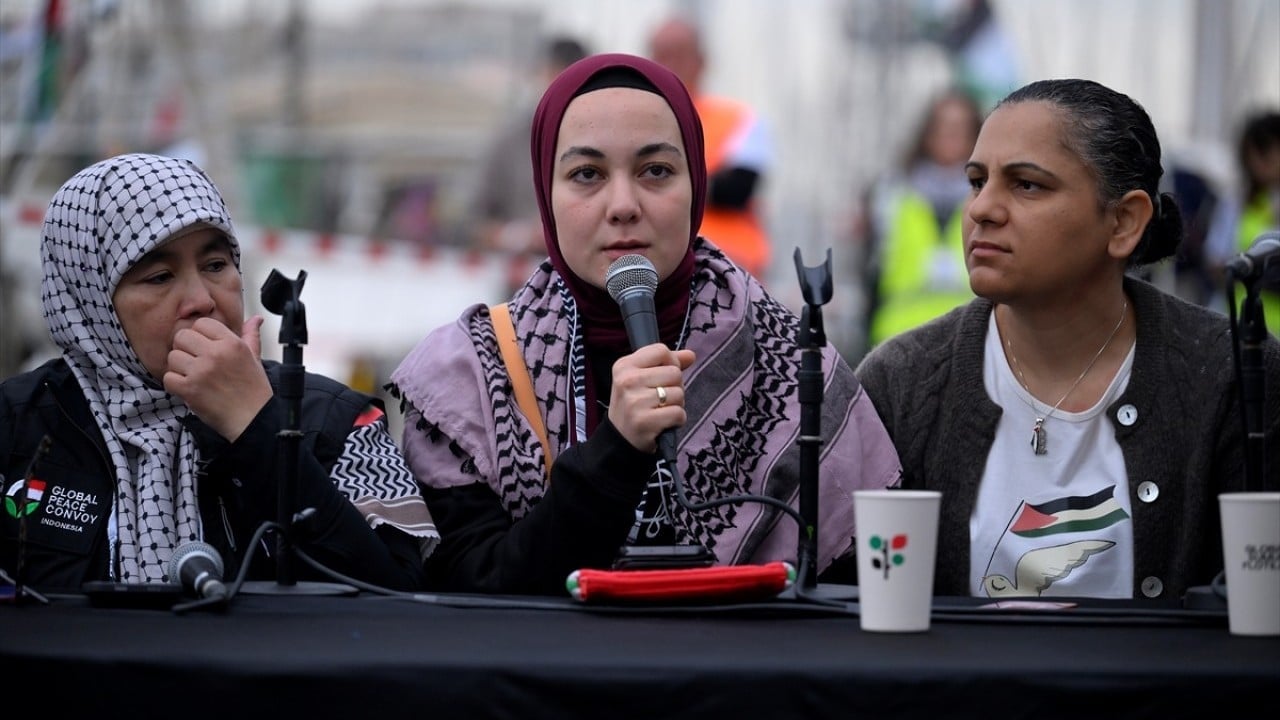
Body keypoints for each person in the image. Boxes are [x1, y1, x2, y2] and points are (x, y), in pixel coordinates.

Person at [389, 54, 901, 596]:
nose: (624, 205)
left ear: (696, 184)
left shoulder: (797, 368)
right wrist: (617, 449)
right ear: (546, 194)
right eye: (587, 174)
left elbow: (862, 589)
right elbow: (468, 589)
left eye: (655, 171)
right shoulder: (476, 372)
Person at [855, 79, 1280, 601]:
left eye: (1027, 185)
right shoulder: (900, 385)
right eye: (976, 180)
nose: (981, 210)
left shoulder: (1232, 377)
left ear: (1124, 221)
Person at [0, 153, 439, 593]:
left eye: (215, 266)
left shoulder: (339, 421)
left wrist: (255, 426)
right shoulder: (17, 425)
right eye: (159, 276)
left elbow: (397, 603)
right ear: (91, 303)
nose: (201, 300)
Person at [647, 15, 773, 281]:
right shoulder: (631, 124)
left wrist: (657, 181)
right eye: (661, 55)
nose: (670, 65)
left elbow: (736, 190)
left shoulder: (739, 119)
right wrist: (707, 181)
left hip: (731, 268)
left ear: (702, 61)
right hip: (657, 266)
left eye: (680, 54)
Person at [864, 89, 983, 350]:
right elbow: (871, 274)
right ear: (927, 133)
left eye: (960, 127)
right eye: (943, 126)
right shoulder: (891, 194)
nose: (951, 135)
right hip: (898, 344)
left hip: (971, 342)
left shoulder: (991, 197)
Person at [466, 35, 590, 260]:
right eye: (553, 76)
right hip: (522, 277)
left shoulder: (607, 139)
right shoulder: (511, 140)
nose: (560, 90)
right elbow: (472, 221)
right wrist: (518, 236)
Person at [1205, 109, 1280, 335]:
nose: (1261, 161)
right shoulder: (1236, 201)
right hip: (1239, 327)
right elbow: (1214, 260)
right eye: (1255, 152)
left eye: (1268, 151)